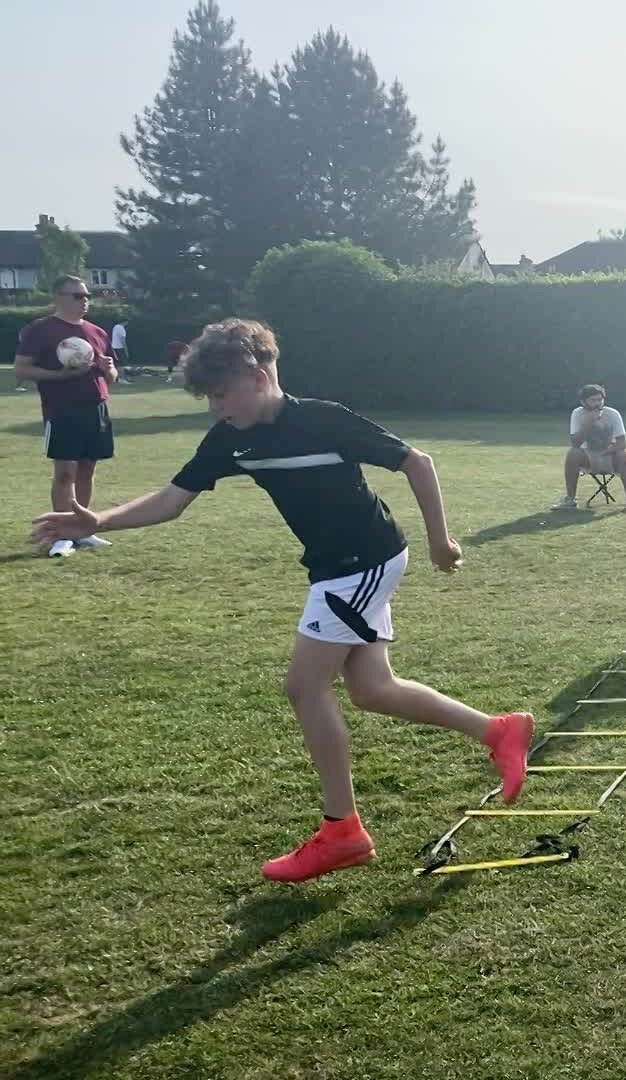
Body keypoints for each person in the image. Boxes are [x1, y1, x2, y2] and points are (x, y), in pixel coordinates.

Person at [31, 318, 534, 884]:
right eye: (210, 398)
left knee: (303, 686)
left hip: (362, 561)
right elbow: (174, 499)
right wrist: (99, 519)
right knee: (372, 690)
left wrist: (442, 541)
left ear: (257, 373)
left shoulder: (321, 419)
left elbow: (417, 462)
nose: (216, 406)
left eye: (222, 392)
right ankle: (499, 731)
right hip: (333, 567)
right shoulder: (231, 437)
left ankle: (342, 831)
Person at [12, 275, 117, 557]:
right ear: (58, 296)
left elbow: (113, 376)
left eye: (86, 296)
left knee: (87, 470)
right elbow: (21, 369)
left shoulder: (97, 331)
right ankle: (61, 535)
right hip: (63, 409)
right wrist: (60, 375)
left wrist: (108, 369)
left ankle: (83, 530)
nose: (85, 301)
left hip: (96, 407)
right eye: (77, 296)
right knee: (65, 474)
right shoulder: (41, 330)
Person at [550, 383, 626, 512]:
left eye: (600, 399)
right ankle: (570, 500)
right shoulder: (577, 414)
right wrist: (588, 423)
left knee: (624, 453)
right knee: (572, 453)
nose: (597, 403)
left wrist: (602, 453)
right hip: (587, 456)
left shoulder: (613, 414)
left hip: (610, 455)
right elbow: (575, 443)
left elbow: (622, 443)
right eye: (593, 400)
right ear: (583, 402)